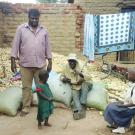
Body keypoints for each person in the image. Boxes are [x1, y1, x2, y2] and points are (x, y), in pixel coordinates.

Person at [11, 8, 52, 116]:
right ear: (28, 17)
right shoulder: (21, 29)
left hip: (40, 65)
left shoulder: (44, 30)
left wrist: (50, 61)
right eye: (32, 18)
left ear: (39, 18)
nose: (35, 21)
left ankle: (42, 105)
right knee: (26, 87)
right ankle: (26, 107)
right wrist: (13, 60)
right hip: (25, 64)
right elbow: (15, 45)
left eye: (36, 19)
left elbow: (47, 46)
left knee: (41, 87)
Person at [60, 53, 93, 119]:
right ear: (68, 61)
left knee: (84, 85)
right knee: (75, 96)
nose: (71, 63)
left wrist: (80, 74)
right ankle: (78, 111)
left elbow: (89, 77)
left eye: (73, 61)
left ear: (76, 61)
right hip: (75, 85)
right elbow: (61, 76)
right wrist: (64, 79)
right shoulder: (65, 66)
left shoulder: (81, 66)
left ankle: (83, 104)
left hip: (85, 82)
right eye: (70, 61)